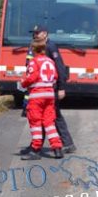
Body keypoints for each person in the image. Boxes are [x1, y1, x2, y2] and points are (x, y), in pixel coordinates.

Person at [20, 26, 76, 154]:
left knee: (53, 117)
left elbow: (60, 68)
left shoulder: (50, 46)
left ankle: (66, 143)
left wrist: (61, 87)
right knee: (47, 118)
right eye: (34, 33)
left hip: (48, 89)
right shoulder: (37, 45)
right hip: (42, 89)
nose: (35, 35)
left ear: (45, 34)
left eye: (37, 33)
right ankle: (39, 146)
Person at [19, 34, 63, 160]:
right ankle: (57, 148)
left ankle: (35, 150)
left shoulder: (34, 62)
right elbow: (55, 77)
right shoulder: (50, 61)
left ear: (34, 50)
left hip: (37, 95)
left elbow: (31, 78)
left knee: (36, 122)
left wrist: (23, 82)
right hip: (50, 94)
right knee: (49, 122)